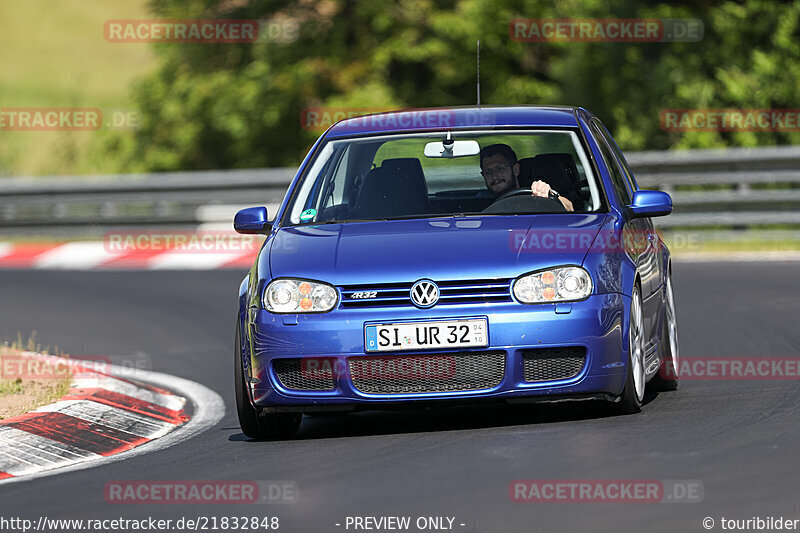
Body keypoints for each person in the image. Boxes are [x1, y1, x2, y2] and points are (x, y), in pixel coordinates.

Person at [479, 143, 574, 211]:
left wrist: (550, 194)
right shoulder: (479, 209)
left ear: (516, 170)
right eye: (488, 171)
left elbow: (569, 208)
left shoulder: (536, 195)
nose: (494, 176)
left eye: (499, 168)